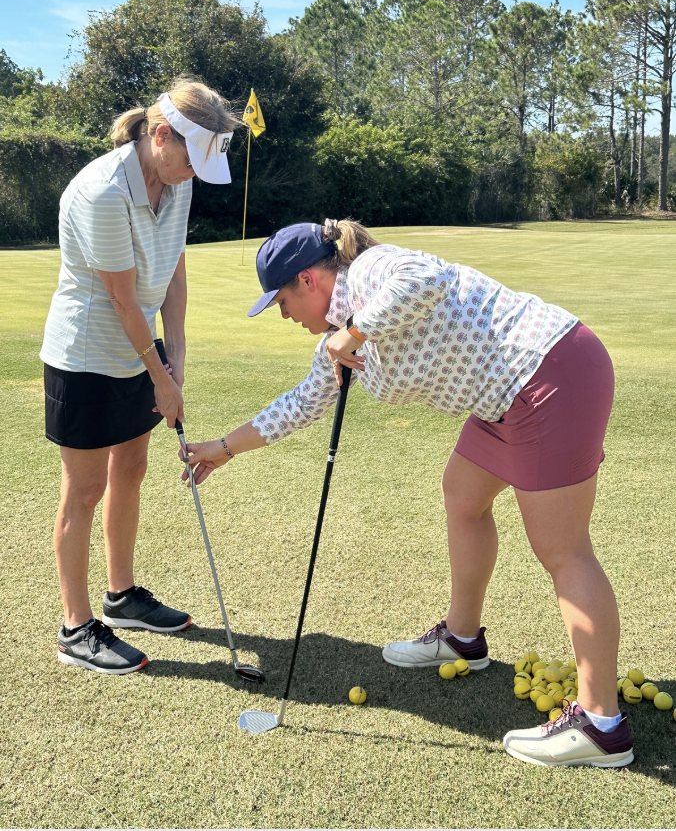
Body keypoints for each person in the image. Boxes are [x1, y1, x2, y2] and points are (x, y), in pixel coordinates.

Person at [183, 219, 634, 767]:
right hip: (502, 398)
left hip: (549, 374)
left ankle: (601, 723)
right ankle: (463, 638)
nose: (281, 314)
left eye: (279, 300)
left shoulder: (371, 271)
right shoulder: (341, 339)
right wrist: (222, 448)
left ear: (309, 281)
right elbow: (302, 402)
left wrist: (358, 329)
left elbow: (426, 279)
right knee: (463, 495)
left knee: (562, 549)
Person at [41, 78, 237, 675]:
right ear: (160, 135)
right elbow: (125, 302)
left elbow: (173, 274)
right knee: (85, 488)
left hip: (138, 352)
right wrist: (160, 375)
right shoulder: (102, 192)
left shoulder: (176, 182)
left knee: (133, 467)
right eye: (190, 160)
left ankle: (121, 597)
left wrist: (175, 355)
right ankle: (75, 628)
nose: (194, 175)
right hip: (84, 356)